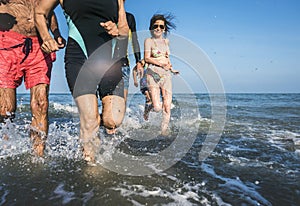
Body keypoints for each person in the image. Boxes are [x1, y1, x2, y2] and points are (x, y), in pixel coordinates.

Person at [34, 0, 129, 163]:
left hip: (111, 62)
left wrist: (117, 30)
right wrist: (46, 37)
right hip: (79, 59)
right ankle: (91, 171)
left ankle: (93, 125)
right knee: (90, 120)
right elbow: (39, 12)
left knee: (112, 120)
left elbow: (124, 30)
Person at [0, 0, 65, 156]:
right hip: (8, 43)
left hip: (40, 45)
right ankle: (6, 151)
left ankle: (38, 155)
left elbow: (48, 10)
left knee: (41, 103)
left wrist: (56, 33)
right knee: (5, 109)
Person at [105, 0, 143, 134]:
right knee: (108, 102)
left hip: (124, 64)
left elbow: (135, 40)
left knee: (122, 103)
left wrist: (139, 61)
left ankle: (115, 136)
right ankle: (107, 131)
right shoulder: (105, 16)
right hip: (105, 66)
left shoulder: (130, 18)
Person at [144, 14, 179, 136]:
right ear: (151, 28)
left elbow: (167, 58)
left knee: (167, 106)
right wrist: (160, 64)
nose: (158, 28)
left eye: (161, 26)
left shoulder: (166, 41)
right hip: (153, 74)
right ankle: (149, 106)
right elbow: (147, 58)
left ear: (164, 29)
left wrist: (172, 69)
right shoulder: (149, 41)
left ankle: (163, 131)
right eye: (156, 26)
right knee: (157, 107)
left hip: (166, 75)